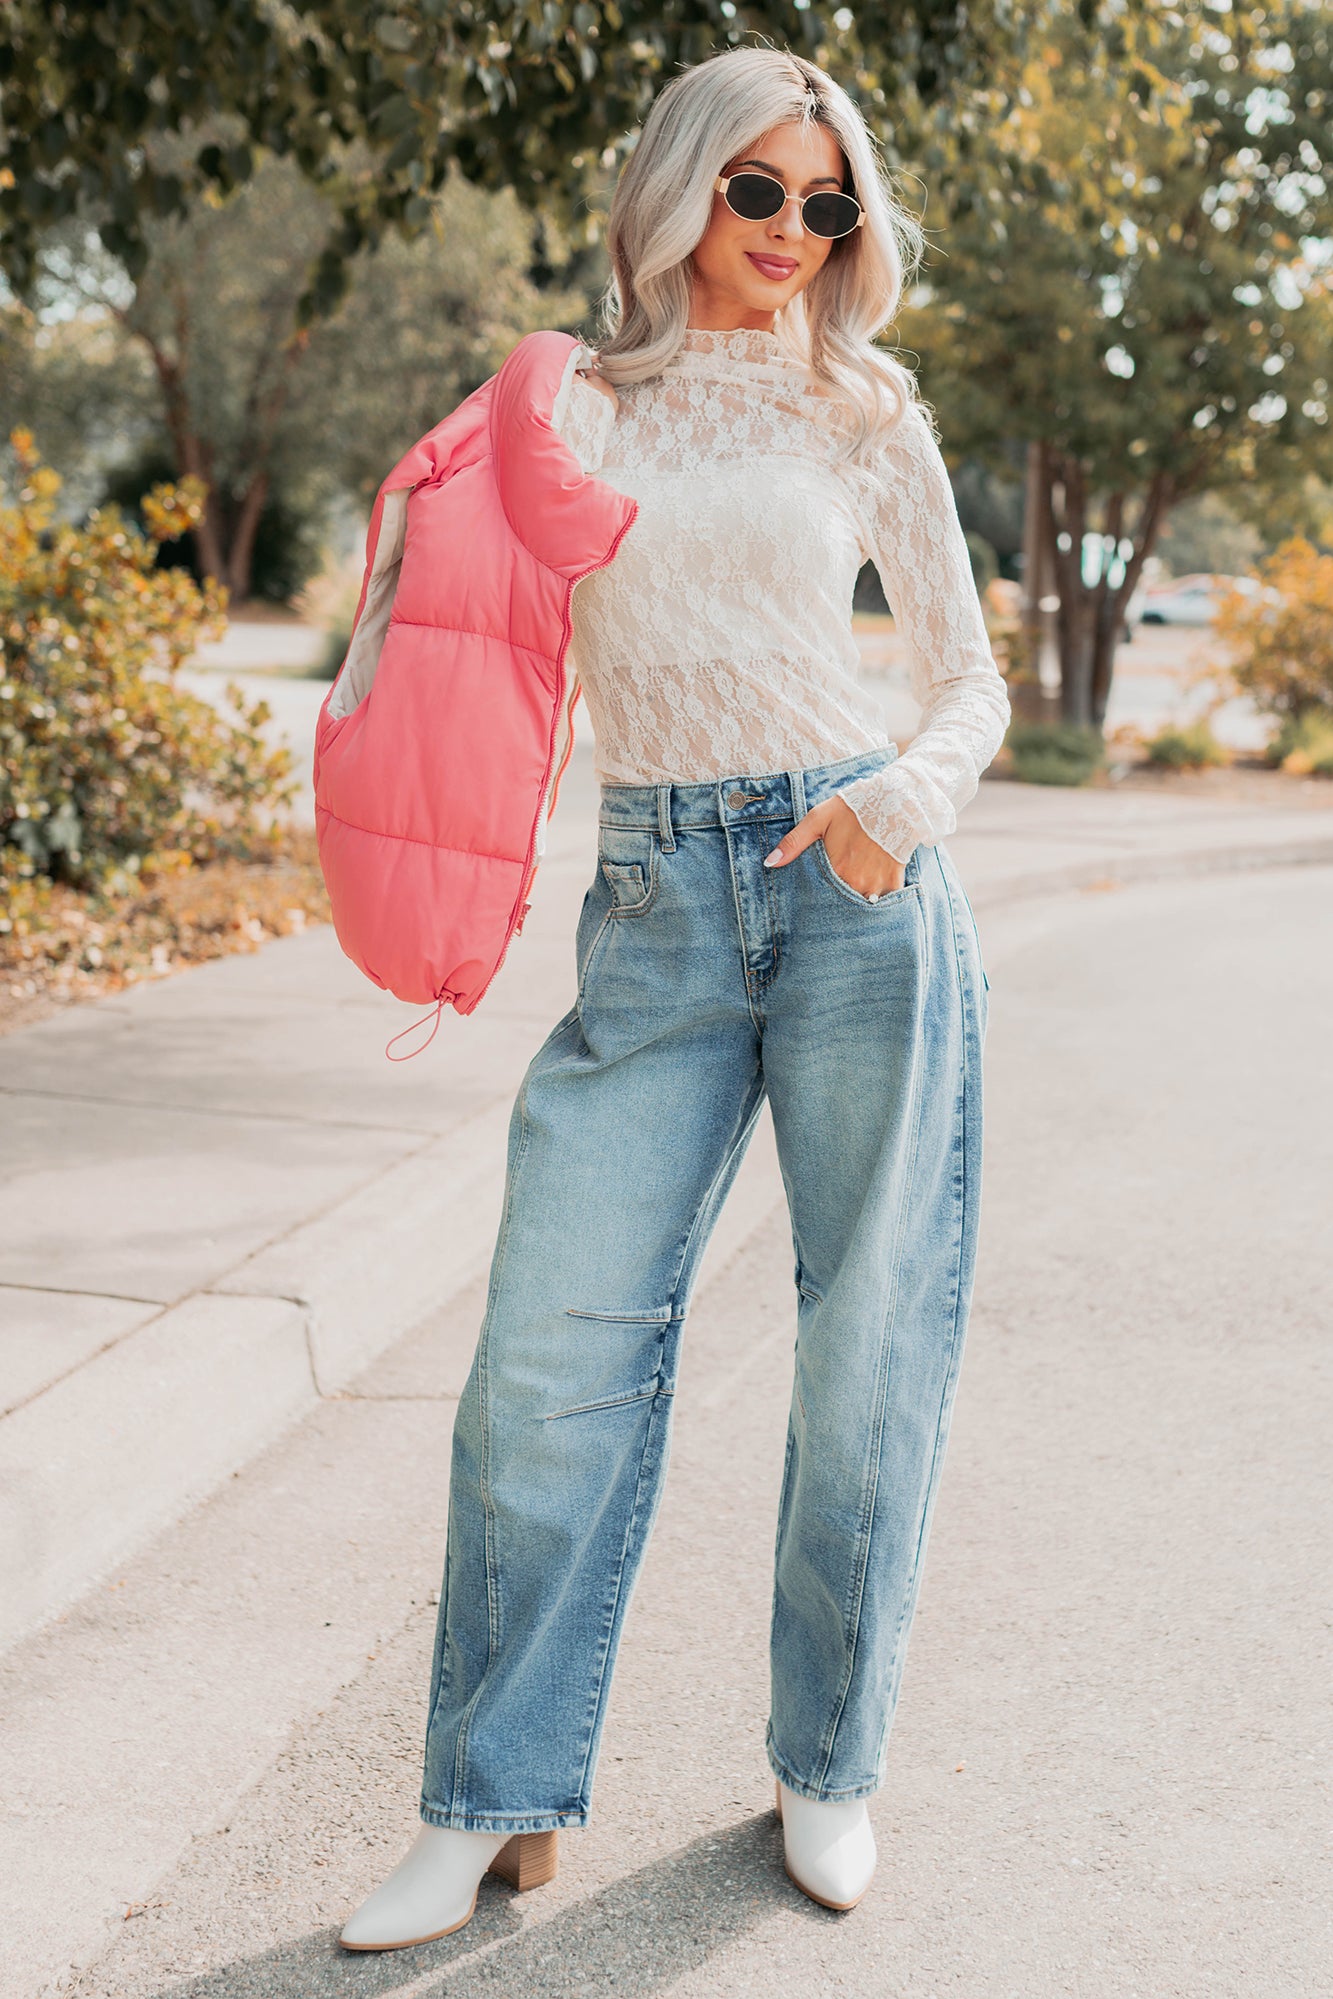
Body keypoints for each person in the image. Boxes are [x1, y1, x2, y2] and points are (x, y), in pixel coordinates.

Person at [339, 43, 1009, 1950]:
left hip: (859, 878)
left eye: (829, 203)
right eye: (760, 191)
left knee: (866, 1337)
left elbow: (967, 681)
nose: (796, 231)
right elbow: (463, 637)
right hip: (648, 900)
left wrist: (900, 800)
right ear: (682, 187)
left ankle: (828, 1762)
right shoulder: (575, 404)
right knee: (546, 1356)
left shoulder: (865, 411)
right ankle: (489, 1801)